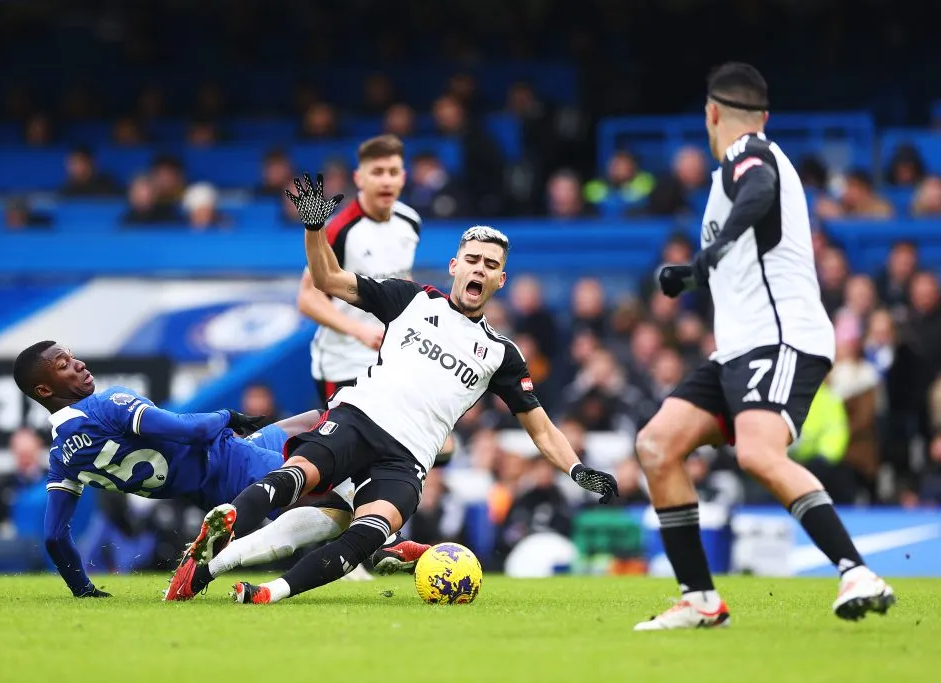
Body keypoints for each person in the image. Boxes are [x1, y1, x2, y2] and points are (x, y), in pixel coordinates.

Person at [180, 174, 618, 606]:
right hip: (359, 419)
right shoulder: (412, 299)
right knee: (299, 477)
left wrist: (578, 471)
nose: (479, 269)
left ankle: (266, 592)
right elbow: (329, 279)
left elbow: (541, 429)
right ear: (455, 265)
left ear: (500, 280)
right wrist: (315, 230)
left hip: (406, 459)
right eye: (473, 259)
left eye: (490, 265)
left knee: (363, 533)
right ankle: (216, 542)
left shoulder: (501, 355)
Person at [647, 62, 895, 629]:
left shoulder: (748, 154)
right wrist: (695, 274)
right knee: (658, 444)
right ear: (764, 112)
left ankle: (856, 570)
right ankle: (701, 601)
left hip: (780, 338)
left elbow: (757, 189)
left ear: (712, 114)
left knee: (758, 453)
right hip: (737, 347)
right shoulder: (730, 173)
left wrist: (703, 259)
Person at [12, 341, 423, 598]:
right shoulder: (108, 403)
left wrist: (83, 590)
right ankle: (382, 546)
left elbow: (53, 536)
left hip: (217, 475)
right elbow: (183, 430)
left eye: (72, 355)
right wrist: (226, 414)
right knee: (337, 500)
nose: (79, 363)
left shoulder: (62, 457)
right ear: (44, 390)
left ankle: (378, 540)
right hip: (231, 461)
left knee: (327, 417)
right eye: (63, 364)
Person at [296, 134, 421, 406]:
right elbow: (307, 298)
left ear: (403, 177)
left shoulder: (410, 221)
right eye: (377, 172)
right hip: (344, 364)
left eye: (393, 172)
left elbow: (402, 279)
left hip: (391, 357)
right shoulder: (340, 230)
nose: (386, 180)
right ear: (359, 178)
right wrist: (359, 331)